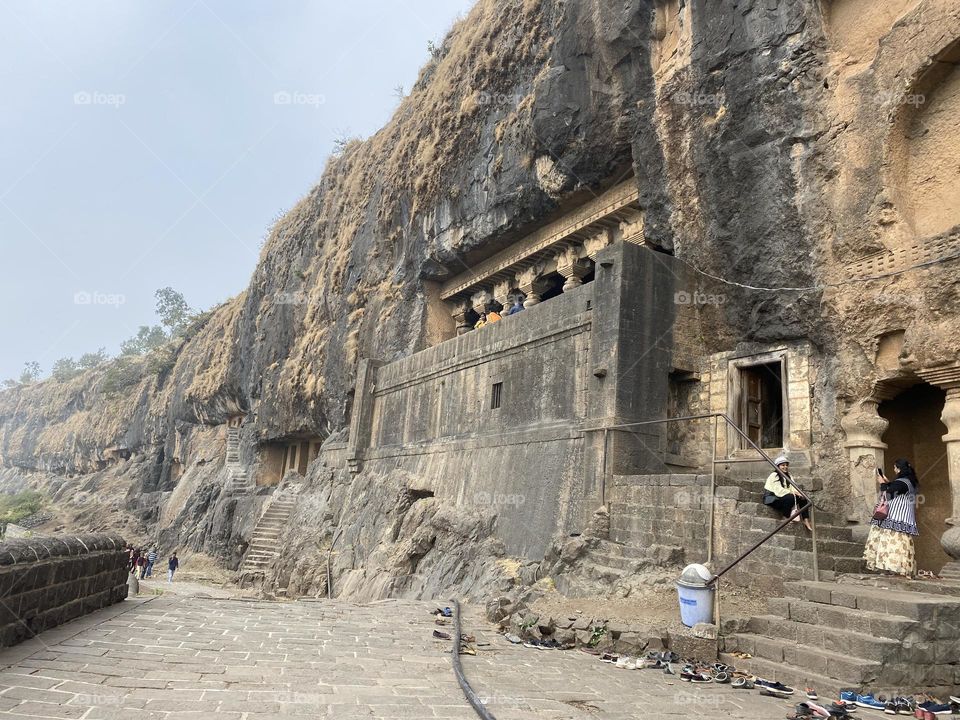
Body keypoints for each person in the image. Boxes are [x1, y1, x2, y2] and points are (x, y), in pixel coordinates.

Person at [863, 459, 919, 578]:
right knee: (901, 543)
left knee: (892, 543)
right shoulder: (909, 481)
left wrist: (882, 483)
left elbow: (888, 494)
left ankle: (892, 568)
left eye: (895, 468)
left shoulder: (901, 482)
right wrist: (888, 482)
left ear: (898, 469)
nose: (894, 470)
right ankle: (898, 569)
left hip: (896, 517)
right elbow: (895, 490)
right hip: (905, 518)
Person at [762, 456, 812, 531]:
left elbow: (793, 487)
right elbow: (778, 490)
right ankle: (786, 517)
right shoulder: (774, 475)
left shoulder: (789, 476)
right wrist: (793, 492)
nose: (785, 467)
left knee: (803, 498)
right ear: (777, 466)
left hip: (783, 497)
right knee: (790, 497)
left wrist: (799, 493)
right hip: (773, 498)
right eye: (782, 465)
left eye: (786, 465)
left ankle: (806, 520)